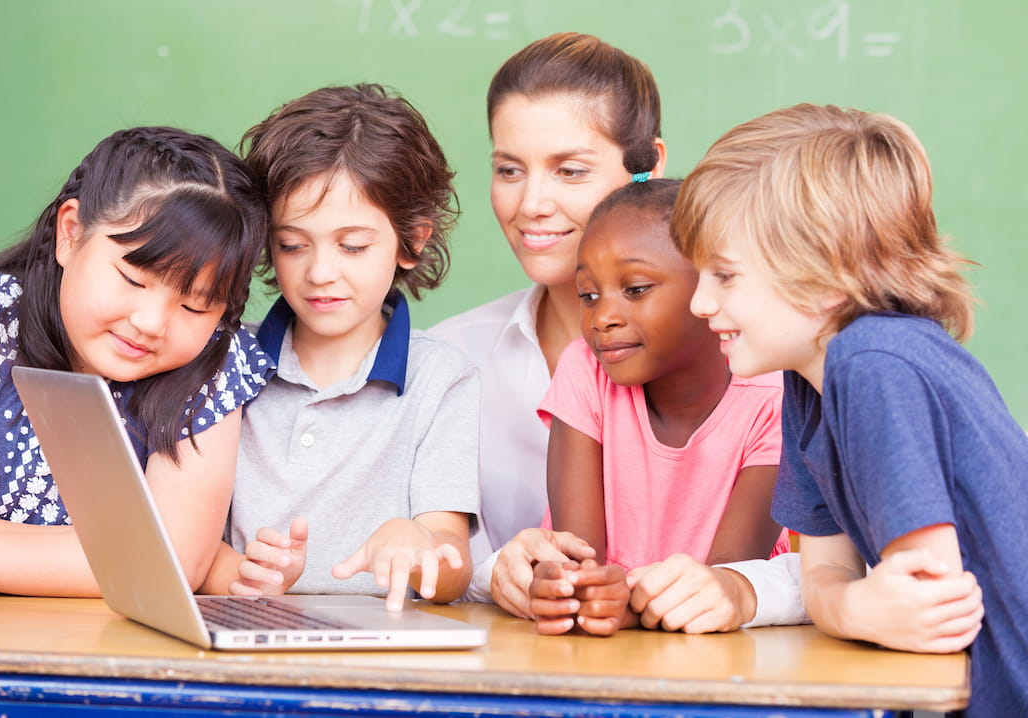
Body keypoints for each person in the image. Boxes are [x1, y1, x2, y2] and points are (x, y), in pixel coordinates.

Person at [430, 32, 805, 632]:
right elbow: (434, 557)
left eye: (570, 170)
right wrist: (492, 574)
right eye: (509, 169)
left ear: (648, 166)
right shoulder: (448, 359)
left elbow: (747, 576)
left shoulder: (770, 377)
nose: (532, 204)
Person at [675, 102, 1009, 715]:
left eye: (724, 275)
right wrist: (853, 607)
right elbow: (822, 574)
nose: (698, 302)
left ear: (828, 277)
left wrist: (856, 606)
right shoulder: (808, 381)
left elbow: (927, 607)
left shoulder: (873, 363)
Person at [0, 126, 273, 597]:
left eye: (194, 306)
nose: (151, 322)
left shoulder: (215, 359)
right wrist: (118, 554)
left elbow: (167, 566)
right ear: (70, 233)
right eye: (134, 280)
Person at [201, 84, 479, 611]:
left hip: (385, 649)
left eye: (352, 246)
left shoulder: (441, 376)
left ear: (413, 241)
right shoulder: (222, 362)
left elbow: (452, 567)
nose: (320, 272)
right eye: (292, 245)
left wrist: (417, 545)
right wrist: (244, 573)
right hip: (242, 632)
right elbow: (184, 541)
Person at [527, 168, 788, 636]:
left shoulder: (774, 398)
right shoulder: (586, 370)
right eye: (587, 295)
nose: (602, 317)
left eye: (636, 289)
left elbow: (720, 582)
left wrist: (622, 604)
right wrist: (562, 586)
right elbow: (577, 555)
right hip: (604, 654)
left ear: (710, 290)